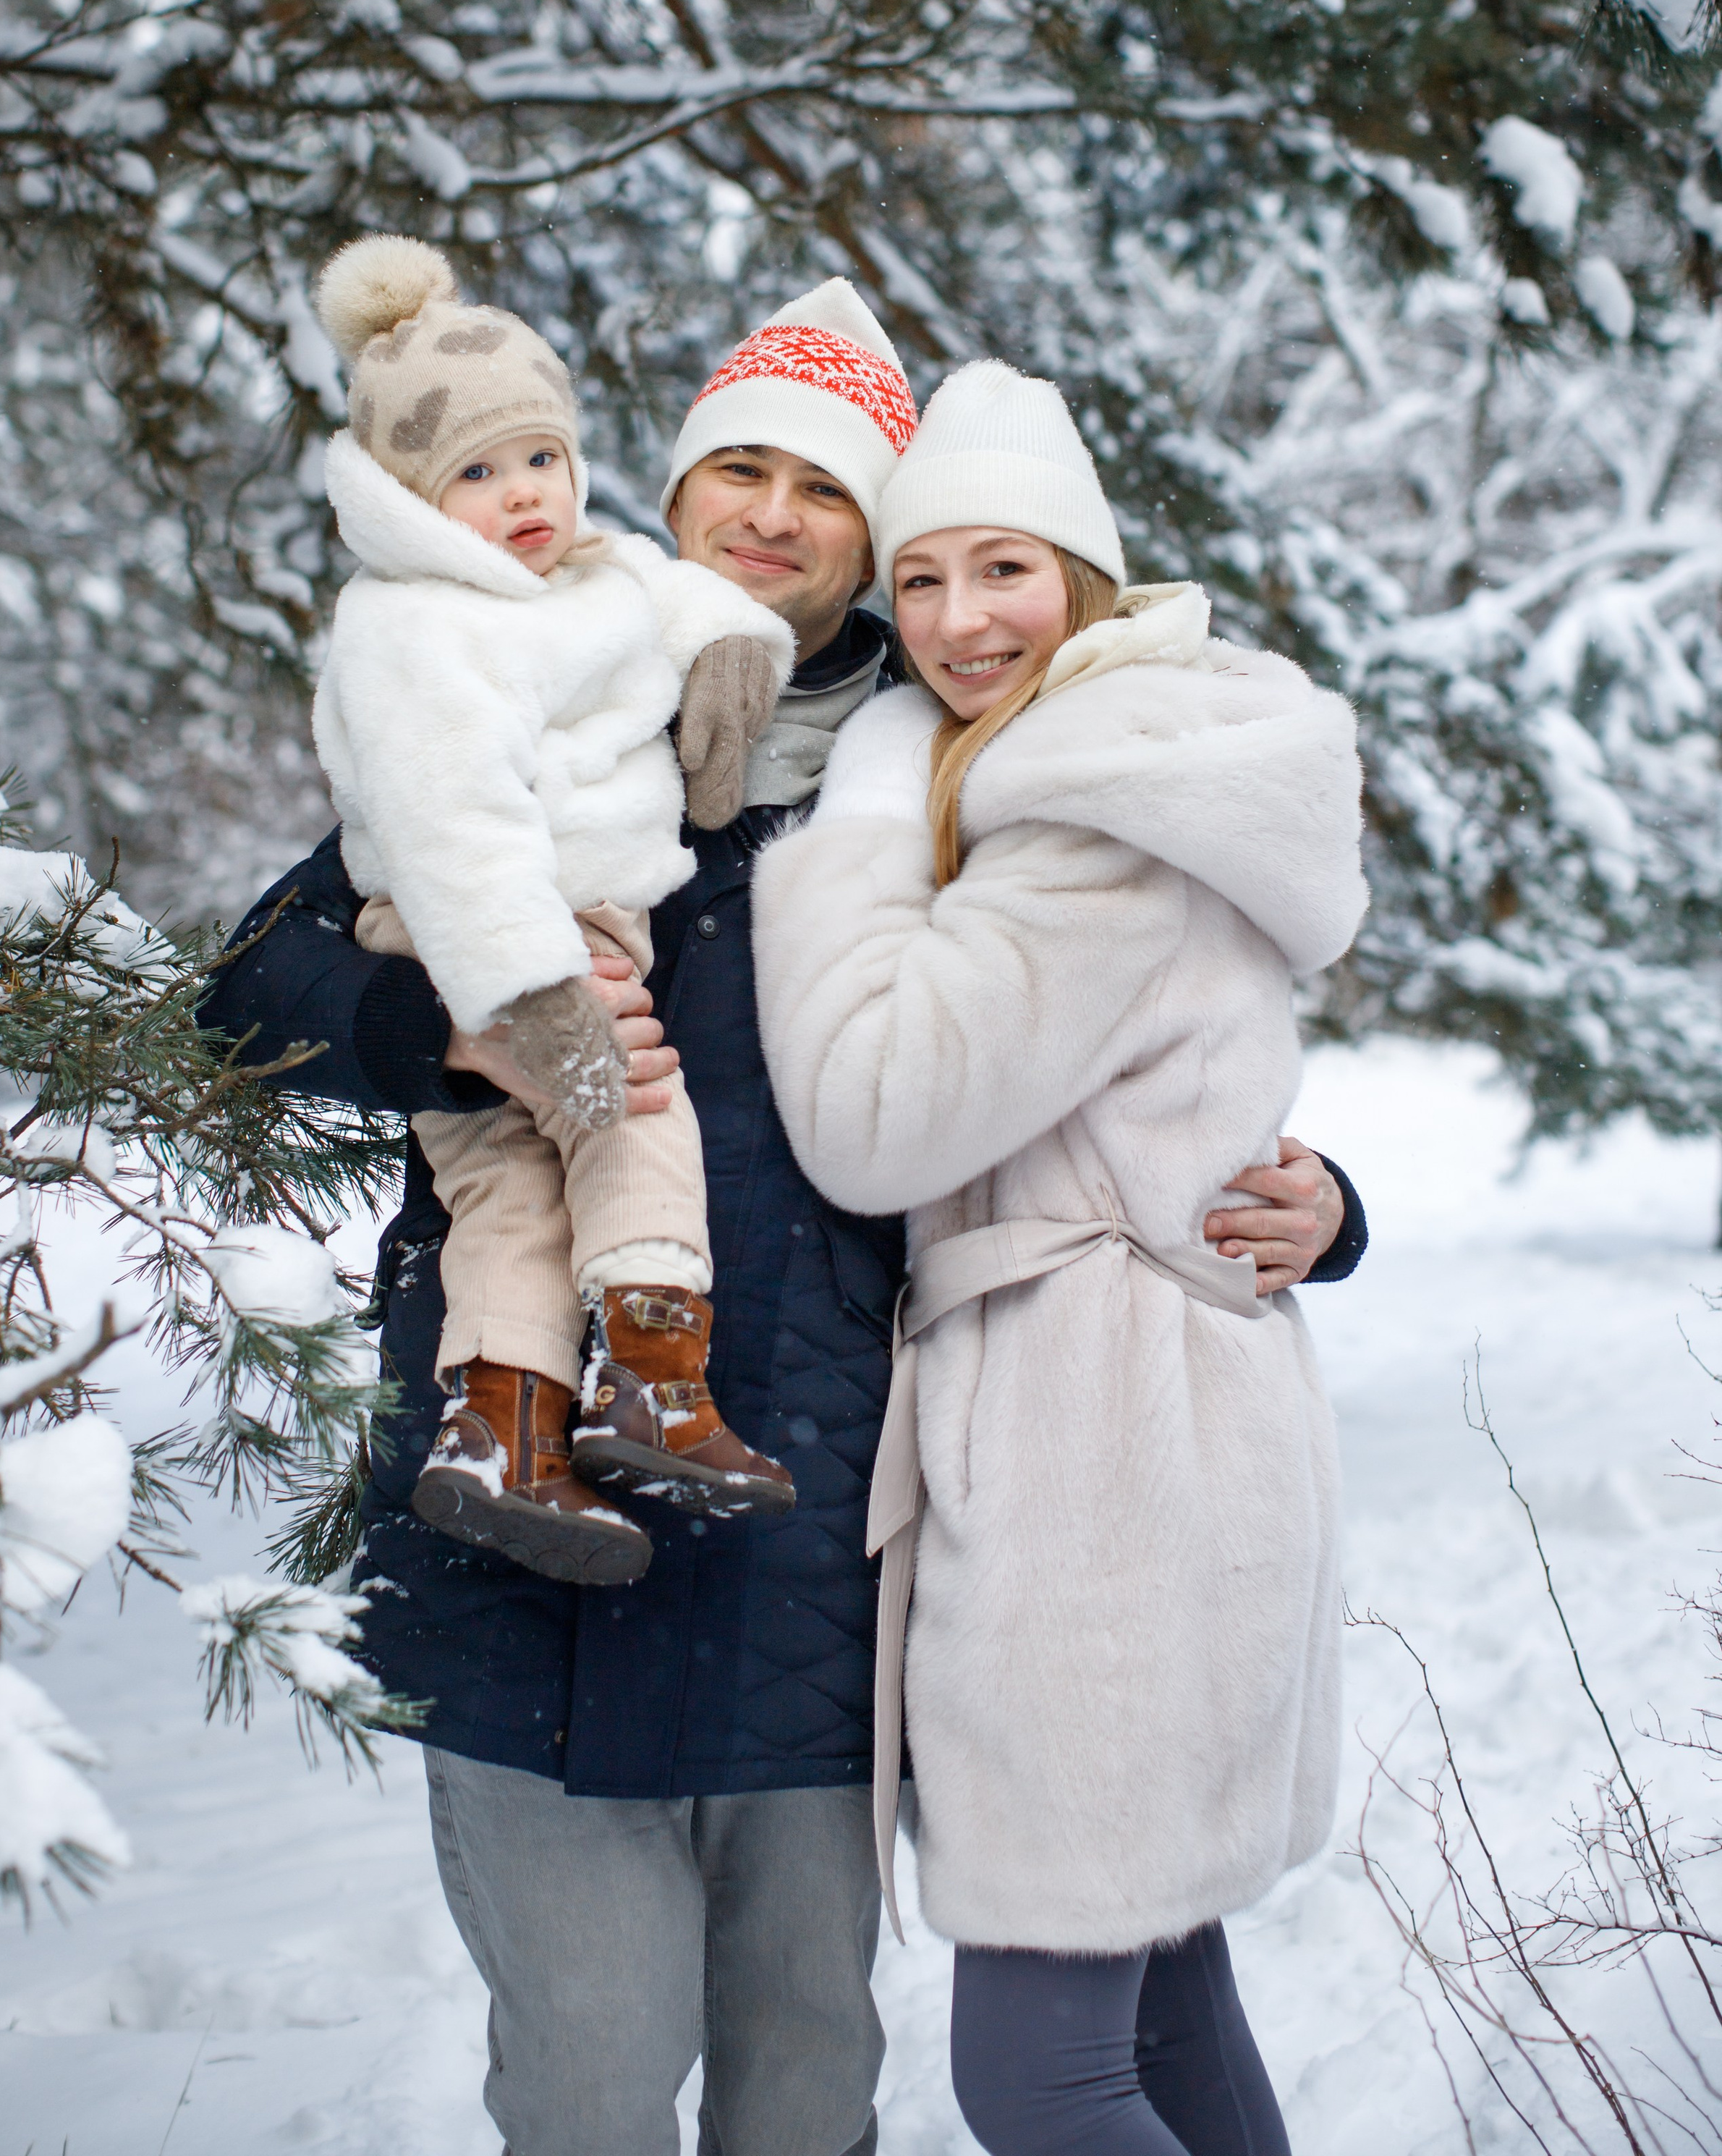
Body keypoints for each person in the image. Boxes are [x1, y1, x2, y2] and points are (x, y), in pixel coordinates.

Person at [201, 288, 1370, 2156]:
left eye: (824, 490)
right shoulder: (528, 694)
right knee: (588, 2079)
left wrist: (1312, 1200)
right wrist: (452, 1030)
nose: (769, 513)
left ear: (880, 543)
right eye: (733, 466)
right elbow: (248, 989)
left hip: (817, 1538)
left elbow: (1144, 1032)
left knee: (809, 2077)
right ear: (669, 487)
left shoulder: (956, 766)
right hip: (528, 1497)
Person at [751, 360, 1370, 2155]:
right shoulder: (1133, 769)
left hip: (1103, 1477)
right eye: (921, 580)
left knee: (1036, 2068)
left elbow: (872, 1113)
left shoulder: (1089, 820)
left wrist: (862, 815)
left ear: (1086, 583)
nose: (953, 622)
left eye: (1003, 569)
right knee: (1162, 2010)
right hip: (1159, 1430)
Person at [307, 232, 798, 1580]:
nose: (524, 494)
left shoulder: (595, 570)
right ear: (413, 493)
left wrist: (729, 664)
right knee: (634, 1113)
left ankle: (501, 1435)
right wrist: (530, 996)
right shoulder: (413, 621)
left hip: (549, 922)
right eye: (475, 471)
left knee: (511, 1198)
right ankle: (650, 1376)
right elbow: (449, 821)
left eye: (542, 458)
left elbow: (689, 602)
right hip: (499, 933)